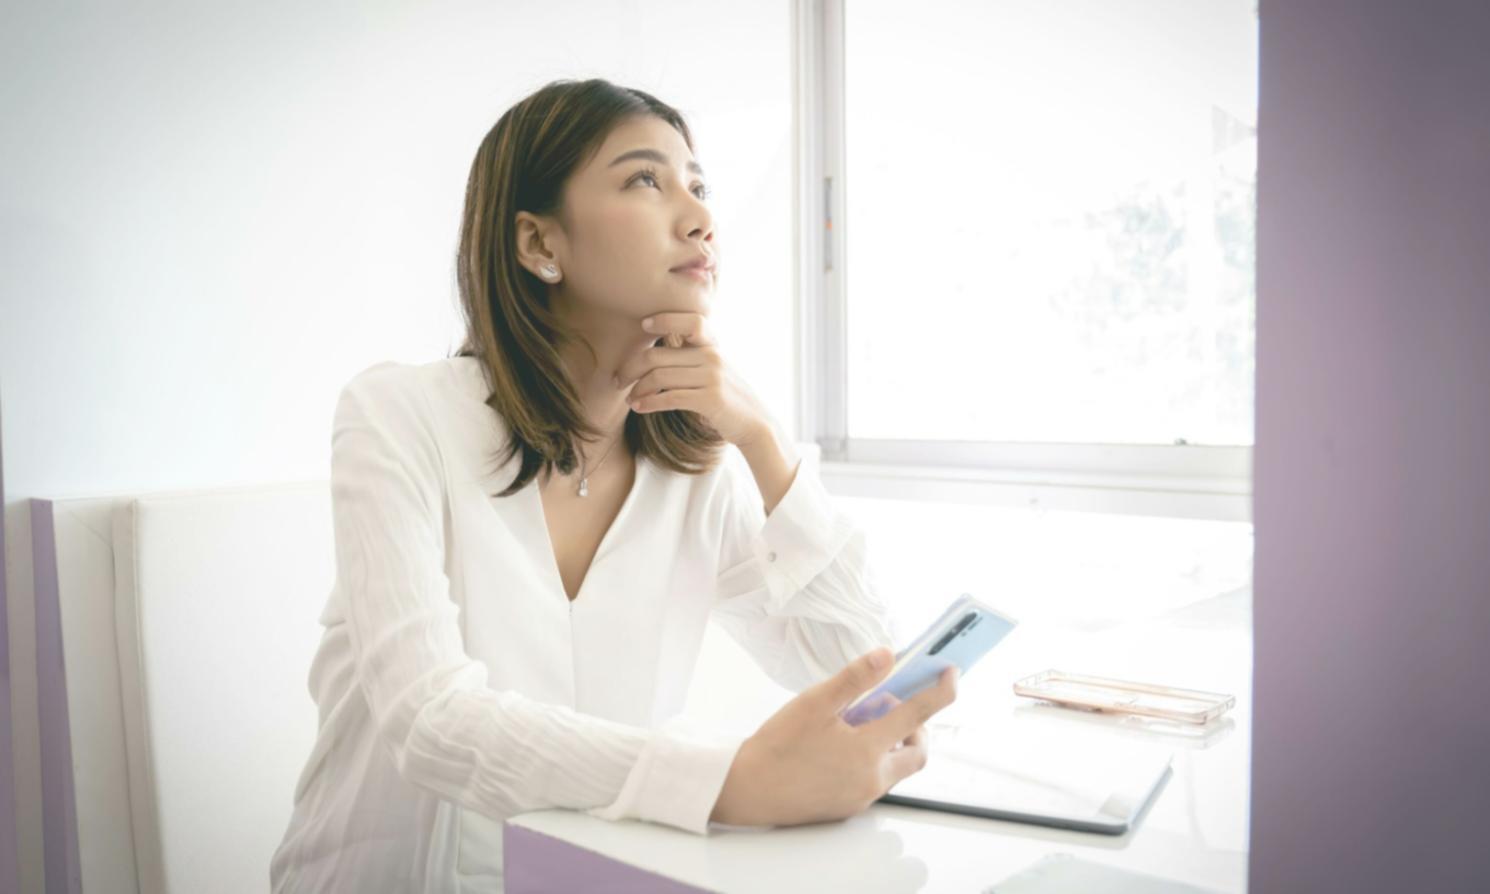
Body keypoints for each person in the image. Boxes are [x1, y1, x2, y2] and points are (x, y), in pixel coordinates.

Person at [269, 77, 959, 893]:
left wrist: (763, 442)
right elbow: (431, 723)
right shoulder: (397, 416)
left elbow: (863, 678)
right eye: (645, 179)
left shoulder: (696, 471)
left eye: (699, 186)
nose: (700, 215)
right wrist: (729, 782)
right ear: (538, 245)